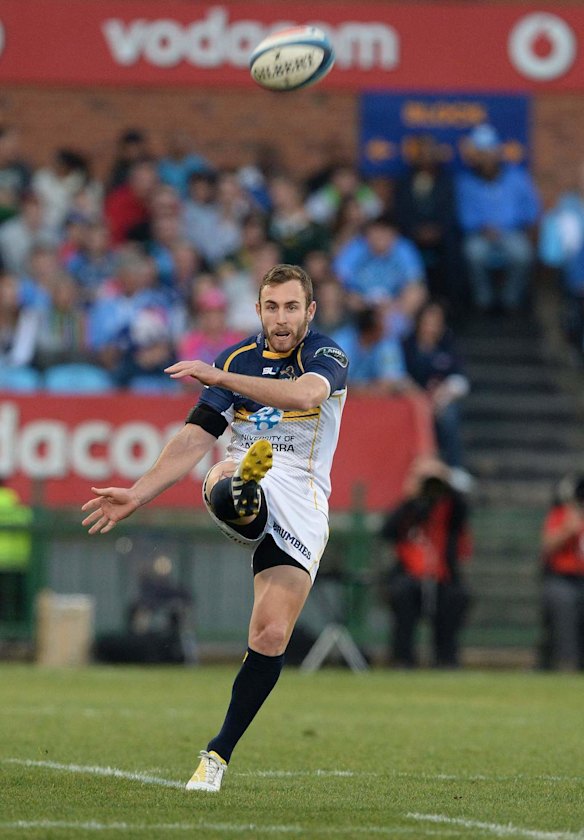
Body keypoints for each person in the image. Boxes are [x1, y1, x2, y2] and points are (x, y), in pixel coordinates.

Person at [81, 263, 349, 792]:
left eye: (291, 307)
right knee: (223, 472)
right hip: (251, 466)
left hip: (304, 497)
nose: (281, 317)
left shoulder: (326, 355)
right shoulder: (239, 357)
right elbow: (195, 436)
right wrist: (137, 492)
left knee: (270, 634)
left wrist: (220, 377)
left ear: (309, 311)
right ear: (257, 310)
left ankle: (216, 755)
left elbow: (306, 397)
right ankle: (242, 492)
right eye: (271, 307)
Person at [379, 456, 472, 668]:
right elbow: (387, 531)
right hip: (409, 575)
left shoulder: (450, 507)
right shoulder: (410, 507)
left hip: (443, 575)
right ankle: (403, 659)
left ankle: (446, 660)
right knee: (403, 593)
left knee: (453, 598)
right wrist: (411, 494)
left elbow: (463, 509)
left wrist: (444, 477)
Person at [456, 123, 540, 314]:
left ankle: (510, 299)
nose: (486, 158)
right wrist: (482, 227)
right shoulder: (466, 182)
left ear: (498, 153)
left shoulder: (518, 177)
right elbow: (463, 215)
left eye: (489, 152)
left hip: (512, 232)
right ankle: (483, 300)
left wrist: (510, 224)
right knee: (472, 254)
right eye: (481, 153)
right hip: (479, 234)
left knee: (523, 255)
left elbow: (532, 209)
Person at [540, 475, 584, 671]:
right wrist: (568, 530)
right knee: (563, 602)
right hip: (562, 578)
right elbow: (546, 546)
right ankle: (566, 664)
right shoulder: (561, 514)